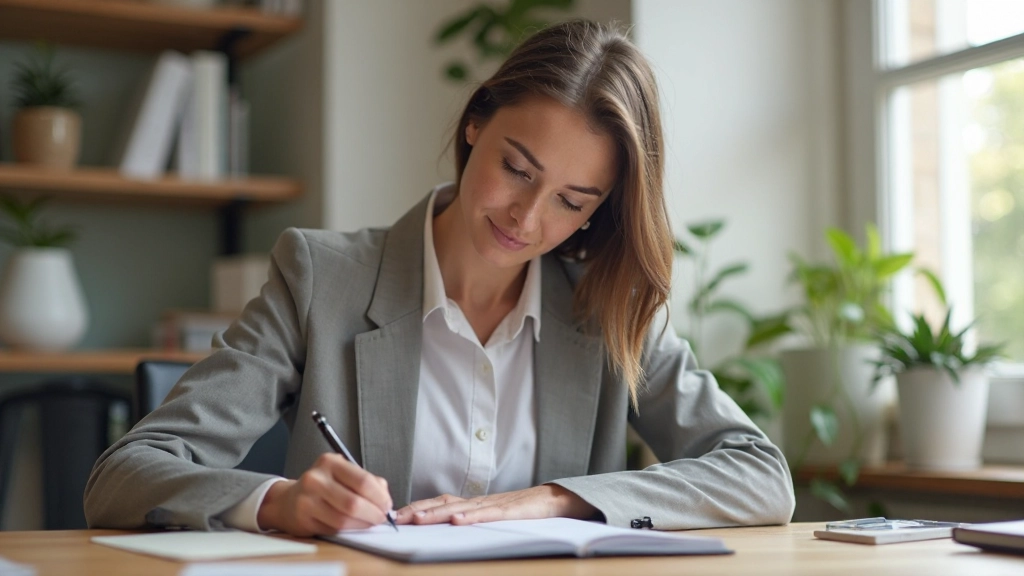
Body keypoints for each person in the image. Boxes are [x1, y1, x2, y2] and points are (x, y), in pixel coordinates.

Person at [84, 19, 794, 536]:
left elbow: (760, 476)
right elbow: (125, 475)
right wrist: (277, 502)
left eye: (573, 202)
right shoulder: (321, 277)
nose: (528, 217)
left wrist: (555, 499)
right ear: (475, 124)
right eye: (518, 169)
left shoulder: (610, 307)